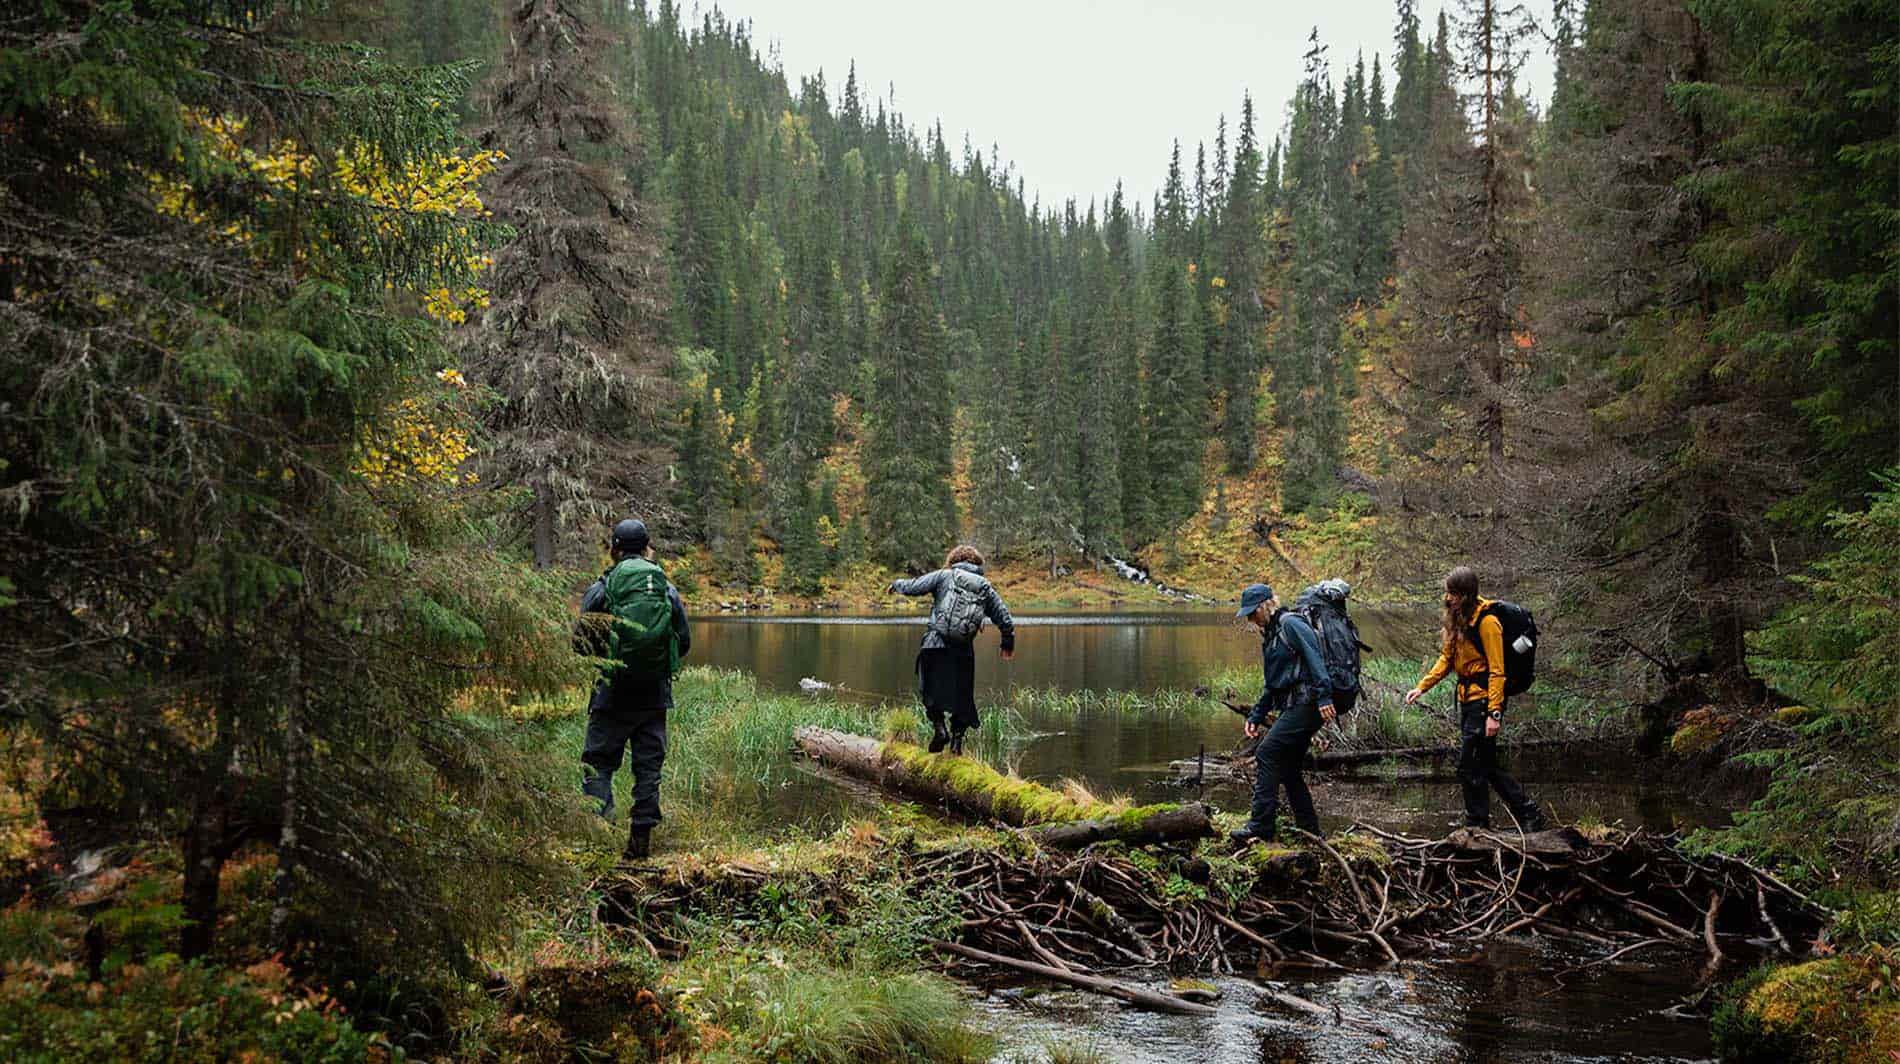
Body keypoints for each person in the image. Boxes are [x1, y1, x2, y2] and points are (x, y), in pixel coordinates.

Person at [1404, 566, 1549, 832]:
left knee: (1470, 764)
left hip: (1484, 701)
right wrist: (1422, 687)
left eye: (1454, 593)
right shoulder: (1458, 619)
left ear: (1467, 594)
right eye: (1447, 592)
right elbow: (1447, 659)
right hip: (1468, 700)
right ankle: (1515, 817)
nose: (1448, 598)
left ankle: (1480, 822)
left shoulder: (1487, 622)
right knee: (1484, 763)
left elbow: (1497, 670)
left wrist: (1494, 713)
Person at [579, 518, 691, 861]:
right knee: (648, 769)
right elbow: (683, 642)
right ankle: (639, 844)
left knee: (598, 764)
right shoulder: (665, 588)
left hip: (611, 693)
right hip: (654, 696)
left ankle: (602, 839)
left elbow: (581, 643)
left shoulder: (602, 588)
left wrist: (608, 660)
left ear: (614, 549)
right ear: (647, 547)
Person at [1230, 583, 1338, 845]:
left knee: (1267, 752)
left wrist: (1324, 695)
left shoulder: (1291, 624)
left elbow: (1315, 659)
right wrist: (1256, 716)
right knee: (1289, 766)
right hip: (1296, 704)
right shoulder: (1271, 634)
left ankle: (1261, 825)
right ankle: (1311, 831)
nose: (1250, 619)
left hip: (1309, 702)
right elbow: (1273, 684)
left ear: (1266, 606)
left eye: (1252, 612)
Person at [887, 545, 1015, 755]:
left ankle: (939, 729)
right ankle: (956, 744)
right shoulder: (984, 586)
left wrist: (896, 585)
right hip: (963, 649)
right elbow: (1005, 618)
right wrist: (1007, 642)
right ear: (977, 564)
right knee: (963, 696)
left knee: (928, 687)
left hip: (934, 642)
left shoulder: (944, 576)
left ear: (953, 560)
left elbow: (914, 586)